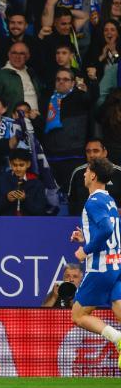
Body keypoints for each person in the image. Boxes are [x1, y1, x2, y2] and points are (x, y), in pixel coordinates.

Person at [69, 157, 121, 365]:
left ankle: (118, 338)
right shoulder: (109, 200)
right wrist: (87, 237)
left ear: (93, 175)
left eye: (86, 170)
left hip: (100, 267)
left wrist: (86, 249)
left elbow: (107, 230)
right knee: (118, 309)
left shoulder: (94, 201)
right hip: (116, 263)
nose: (83, 174)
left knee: (79, 315)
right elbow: (111, 230)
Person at [68, 140, 121, 217]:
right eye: (88, 151)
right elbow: (72, 201)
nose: (91, 155)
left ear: (105, 152)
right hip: (83, 222)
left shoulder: (118, 173)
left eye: (96, 151)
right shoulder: (78, 173)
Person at [0, 149, 48, 216]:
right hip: (6, 223)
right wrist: (6, 199)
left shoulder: (37, 183)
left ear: (28, 164)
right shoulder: (1, 180)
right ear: (10, 164)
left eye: (21, 165)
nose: (18, 169)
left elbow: (40, 211)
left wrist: (25, 199)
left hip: (28, 224)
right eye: (15, 165)